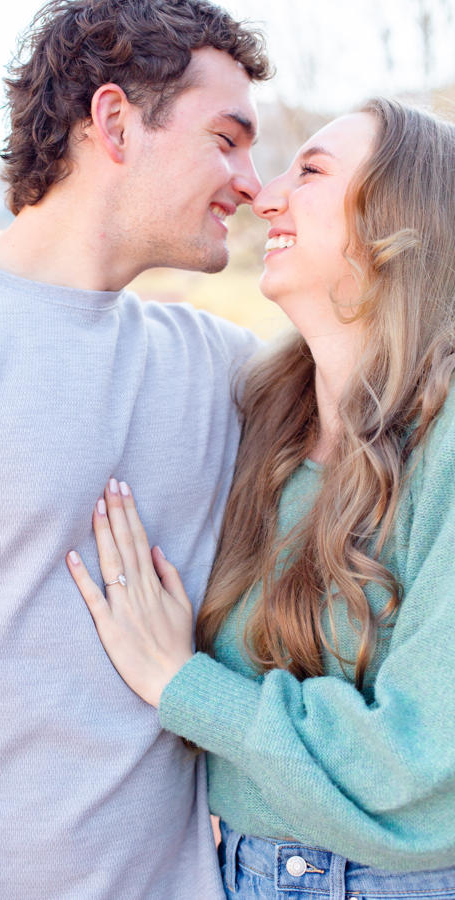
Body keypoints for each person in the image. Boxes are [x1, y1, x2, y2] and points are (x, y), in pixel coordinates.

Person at [0, 2, 272, 898]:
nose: (252, 182)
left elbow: (395, 380)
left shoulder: (218, 367)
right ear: (117, 123)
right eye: (227, 140)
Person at [68, 97, 455, 898]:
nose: (264, 194)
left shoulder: (445, 439)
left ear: (401, 217)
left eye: (310, 171)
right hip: (235, 871)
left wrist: (188, 689)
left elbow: (419, 755)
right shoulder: (261, 417)